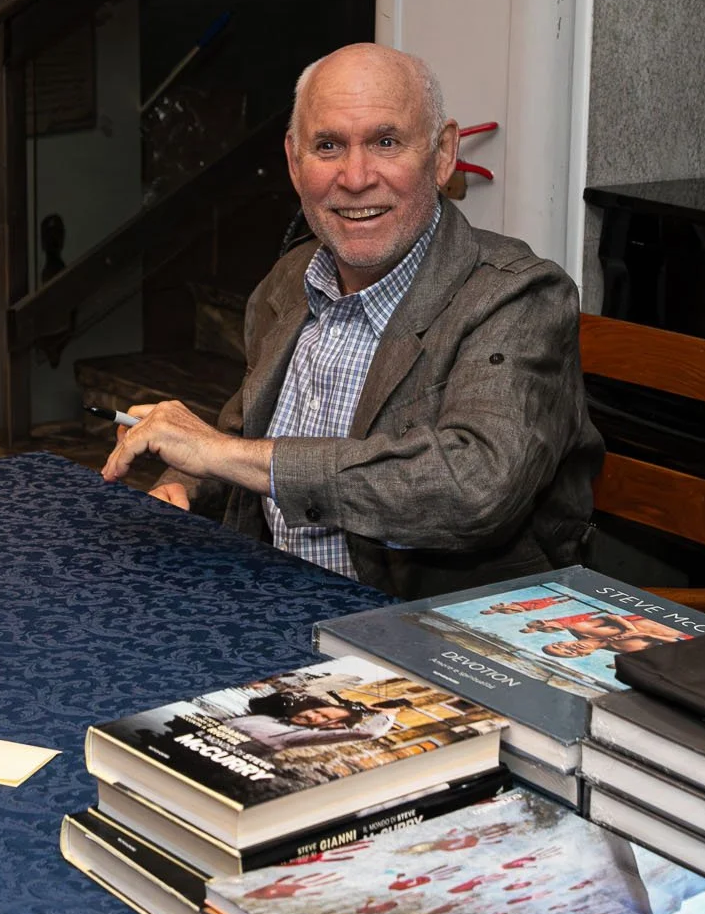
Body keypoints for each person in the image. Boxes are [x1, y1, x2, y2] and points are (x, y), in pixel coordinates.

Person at [100, 43, 603, 598]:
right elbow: (246, 440)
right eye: (328, 146)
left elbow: (474, 486)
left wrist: (222, 454)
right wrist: (187, 483)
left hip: (431, 630)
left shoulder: (518, 297)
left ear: (442, 154)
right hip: (273, 596)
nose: (356, 176)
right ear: (294, 162)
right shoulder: (289, 282)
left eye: (386, 142)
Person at [222, 690, 398, 751]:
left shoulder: (298, 736)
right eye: (316, 711)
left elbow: (369, 732)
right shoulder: (271, 717)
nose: (311, 715)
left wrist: (387, 713)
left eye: (323, 717)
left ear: (335, 725)